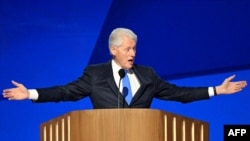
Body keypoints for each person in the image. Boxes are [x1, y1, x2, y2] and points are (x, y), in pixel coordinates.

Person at [2, 28, 247, 108]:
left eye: (134, 49)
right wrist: (31, 93)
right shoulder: (95, 74)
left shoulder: (147, 74)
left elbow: (178, 93)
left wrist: (217, 90)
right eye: (128, 49)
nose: (133, 53)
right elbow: (66, 92)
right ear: (113, 50)